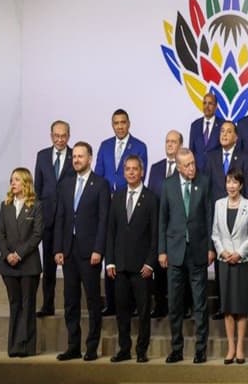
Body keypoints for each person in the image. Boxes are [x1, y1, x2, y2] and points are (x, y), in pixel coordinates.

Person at [54, 141, 109, 362]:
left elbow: (104, 220)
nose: (76, 159)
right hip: (68, 251)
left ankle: (92, 347)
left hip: (90, 252)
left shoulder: (101, 184)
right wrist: (58, 248)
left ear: (90, 158)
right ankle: (73, 346)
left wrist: (99, 249)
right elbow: (60, 217)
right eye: (74, 156)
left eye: (80, 156)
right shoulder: (65, 184)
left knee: (93, 301)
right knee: (70, 301)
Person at [159, 147, 215, 364]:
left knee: (200, 303)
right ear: (178, 166)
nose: (192, 167)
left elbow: (209, 216)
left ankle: (201, 350)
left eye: (193, 163)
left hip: (198, 251)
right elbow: (163, 219)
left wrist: (211, 247)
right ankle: (176, 348)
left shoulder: (205, 182)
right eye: (187, 165)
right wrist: (162, 250)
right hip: (174, 252)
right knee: (174, 304)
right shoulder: (168, 185)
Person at [96, 109, 149, 316]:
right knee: (111, 251)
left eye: (123, 122)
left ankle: (134, 303)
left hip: (131, 204)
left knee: (132, 252)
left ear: (129, 124)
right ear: (112, 125)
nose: (119, 126)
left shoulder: (140, 146)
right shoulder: (105, 146)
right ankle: (111, 302)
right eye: (116, 123)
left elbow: (140, 175)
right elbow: (100, 174)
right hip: (110, 205)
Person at [105, 155, 157, 363]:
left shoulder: (151, 198)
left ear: (142, 172)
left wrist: (150, 263)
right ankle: (124, 349)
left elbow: (155, 235)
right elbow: (111, 231)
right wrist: (109, 261)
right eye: (128, 169)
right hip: (120, 265)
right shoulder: (117, 196)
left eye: (135, 169)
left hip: (142, 267)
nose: (131, 172)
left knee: (143, 312)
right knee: (122, 311)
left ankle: (141, 350)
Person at [0, 167, 43, 358]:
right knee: (14, 305)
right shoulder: (5, 205)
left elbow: (37, 234)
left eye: (16, 180)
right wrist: (8, 255)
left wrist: (19, 254)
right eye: (11, 180)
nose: (12, 183)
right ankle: (14, 346)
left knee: (28, 305)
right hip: (8, 265)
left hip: (28, 265)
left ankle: (26, 347)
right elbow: (1, 233)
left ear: (25, 182)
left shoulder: (36, 205)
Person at [211, 169, 248, 363]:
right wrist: (223, 251)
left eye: (235, 182)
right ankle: (230, 348)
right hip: (225, 261)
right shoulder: (218, 205)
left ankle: (240, 349)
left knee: (241, 307)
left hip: (242, 262)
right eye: (228, 182)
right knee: (228, 307)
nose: (231, 186)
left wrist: (239, 253)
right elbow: (215, 233)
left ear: (241, 185)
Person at [32, 120, 70, 318]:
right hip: (47, 219)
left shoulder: (75, 156)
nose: (60, 139)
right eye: (56, 136)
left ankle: (71, 305)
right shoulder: (42, 156)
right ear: (51, 136)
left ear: (68, 136)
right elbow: (37, 189)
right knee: (48, 266)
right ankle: (48, 304)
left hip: (67, 221)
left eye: (63, 136)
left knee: (70, 266)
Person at [146, 131, 183, 319]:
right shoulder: (156, 167)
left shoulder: (186, 168)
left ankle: (181, 307)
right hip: (160, 224)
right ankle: (160, 305)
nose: (170, 145)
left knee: (178, 268)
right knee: (159, 267)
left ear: (180, 145)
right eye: (167, 141)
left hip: (178, 226)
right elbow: (152, 194)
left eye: (174, 142)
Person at [189, 93, 222, 159]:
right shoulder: (195, 125)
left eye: (210, 103)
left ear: (216, 107)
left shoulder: (222, 125)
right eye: (204, 103)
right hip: (198, 168)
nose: (206, 106)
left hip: (215, 168)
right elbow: (191, 150)